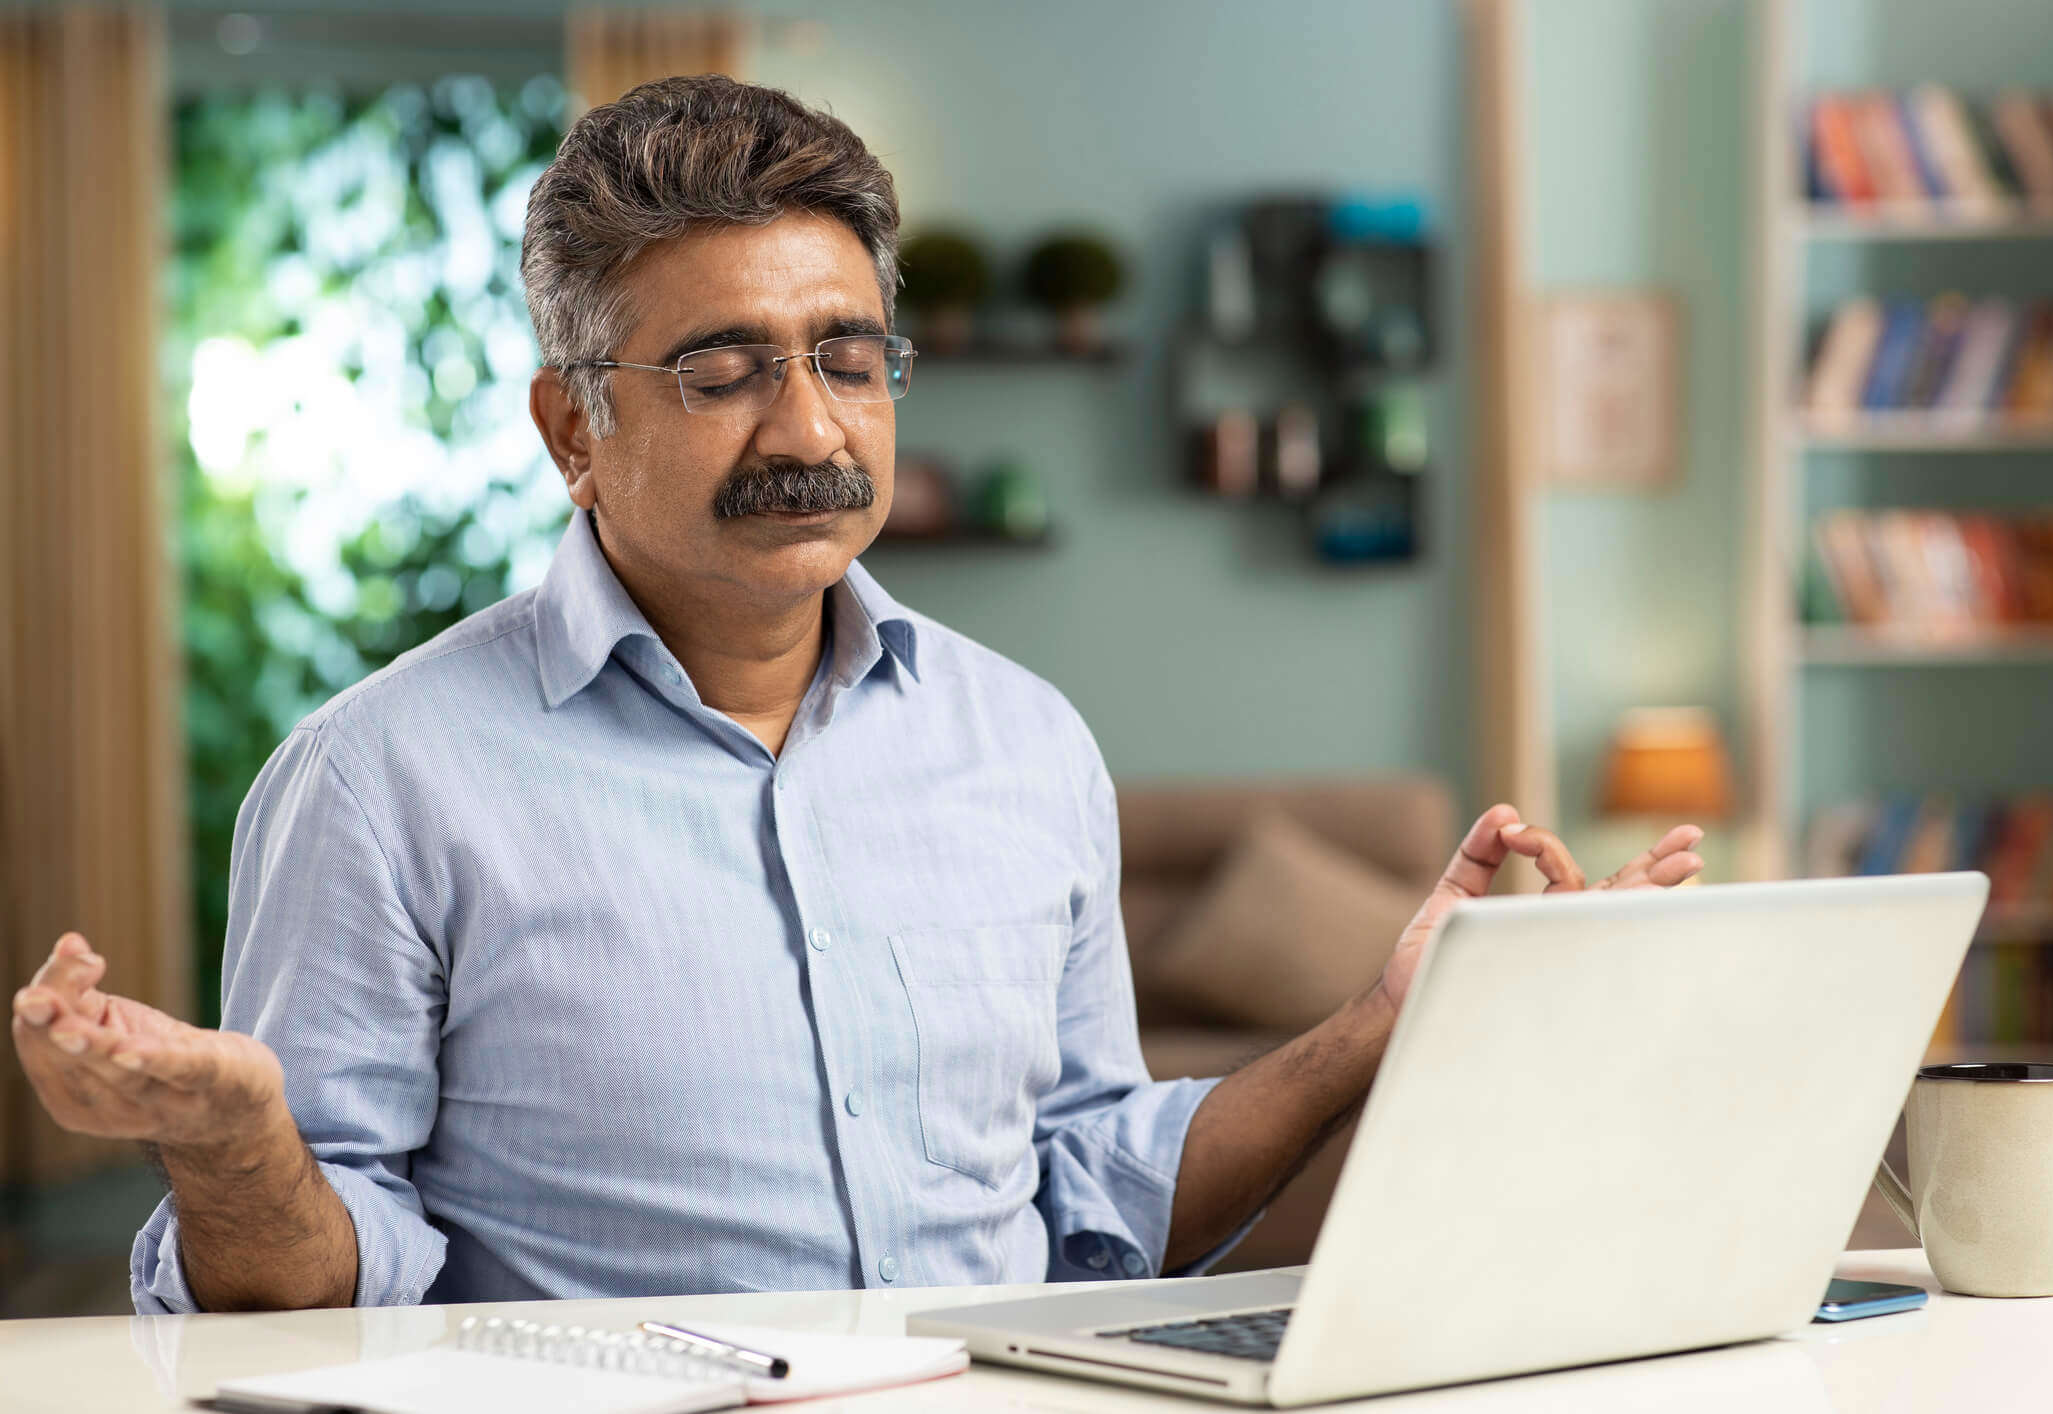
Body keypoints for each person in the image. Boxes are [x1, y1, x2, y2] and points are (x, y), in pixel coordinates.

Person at [9, 75, 1705, 1314]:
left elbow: (1102, 1194)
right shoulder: (378, 780)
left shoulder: (1021, 738)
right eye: (724, 369)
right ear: (569, 428)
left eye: (845, 356)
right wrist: (237, 1145)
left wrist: (1386, 1023)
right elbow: (322, 1303)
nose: (811, 428)